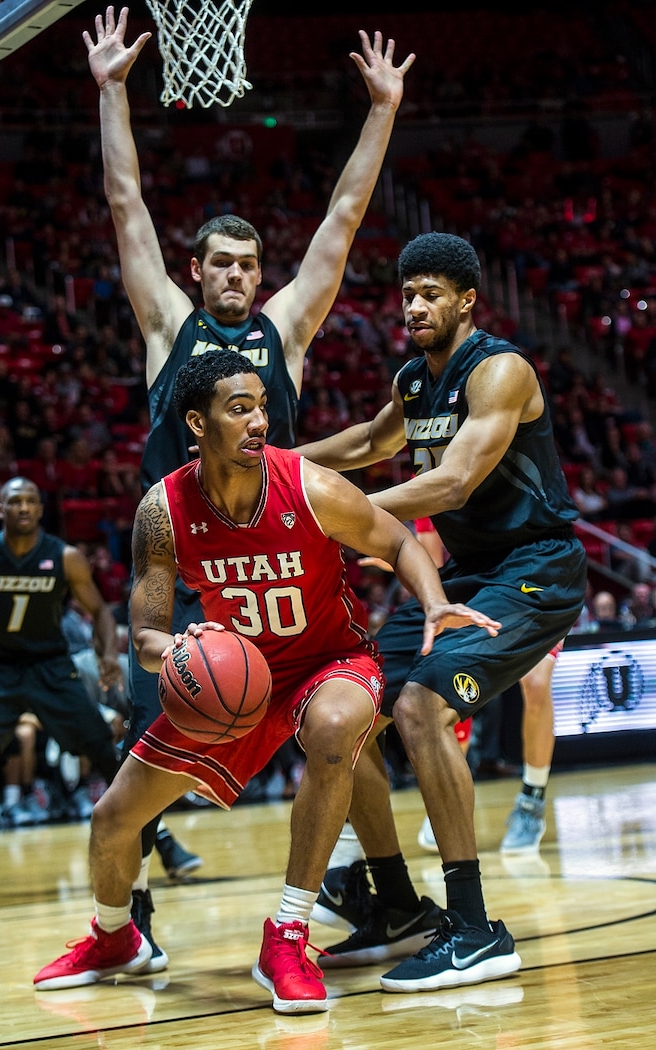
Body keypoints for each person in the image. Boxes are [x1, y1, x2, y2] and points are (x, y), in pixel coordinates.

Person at [83, 5, 415, 969]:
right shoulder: (166, 327)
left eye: (248, 264)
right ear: (196, 272)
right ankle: (128, 924)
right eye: (220, 264)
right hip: (178, 566)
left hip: (269, 565)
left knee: (344, 735)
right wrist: (111, 90)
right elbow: (126, 206)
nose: (236, 276)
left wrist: (382, 111)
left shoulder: (285, 335)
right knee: (146, 740)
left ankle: (382, 898)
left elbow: (343, 219)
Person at [31, 351, 501, 1012]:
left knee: (336, 727)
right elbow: (144, 633)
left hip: (331, 661)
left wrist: (431, 600)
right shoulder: (162, 511)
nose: (259, 421)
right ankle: (116, 938)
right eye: (238, 408)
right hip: (238, 678)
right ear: (197, 422)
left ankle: (286, 933)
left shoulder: (309, 485)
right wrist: (177, 652)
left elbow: (396, 538)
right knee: (111, 821)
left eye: (260, 404)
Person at [298, 232, 587, 991]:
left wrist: (332, 517)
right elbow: (369, 439)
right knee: (343, 705)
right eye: (408, 295)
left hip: (536, 569)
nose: (416, 306)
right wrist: (283, 465)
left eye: (431, 293)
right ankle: (397, 908)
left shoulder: (500, 371)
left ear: (466, 299)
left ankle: (474, 929)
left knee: (421, 707)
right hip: (466, 573)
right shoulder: (413, 381)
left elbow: (453, 482)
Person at [0, 478, 123, 899]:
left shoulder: (64, 558)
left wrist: (105, 654)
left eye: (31, 501)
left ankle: (161, 843)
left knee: (104, 749)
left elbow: (100, 611)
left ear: (40, 509)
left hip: (51, 668)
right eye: (15, 501)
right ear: (1, 510)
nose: (24, 507)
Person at [418, 645, 563, 855]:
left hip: (537, 612)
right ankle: (448, 798)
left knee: (536, 682)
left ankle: (532, 803)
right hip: (480, 613)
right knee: (458, 673)